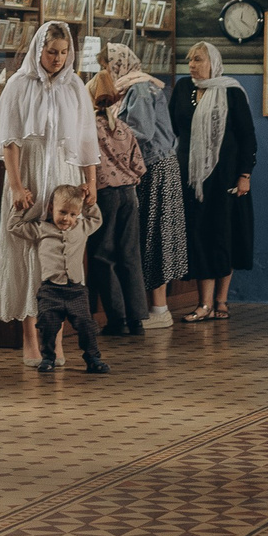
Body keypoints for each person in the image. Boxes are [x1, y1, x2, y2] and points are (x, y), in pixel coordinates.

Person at [0, 21, 99, 366]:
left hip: (64, 177)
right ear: (39, 49)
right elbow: (9, 141)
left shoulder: (75, 86)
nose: (57, 59)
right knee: (28, 255)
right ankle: (31, 340)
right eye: (52, 52)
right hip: (30, 176)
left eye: (64, 53)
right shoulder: (19, 85)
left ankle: (57, 342)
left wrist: (90, 181)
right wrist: (17, 186)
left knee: (60, 257)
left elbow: (85, 140)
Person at [171, 41, 253, 321]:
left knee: (223, 235)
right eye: (190, 60)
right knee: (198, 236)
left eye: (198, 59)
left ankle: (221, 301)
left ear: (213, 63)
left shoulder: (231, 92)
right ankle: (203, 303)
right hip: (191, 178)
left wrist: (244, 175)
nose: (192, 65)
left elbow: (247, 136)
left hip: (225, 177)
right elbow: (174, 127)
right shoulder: (183, 88)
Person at [106, 45, 184, 326]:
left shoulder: (138, 88)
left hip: (155, 167)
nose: (106, 70)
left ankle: (160, 310)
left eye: (108, 64)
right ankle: (154, 308)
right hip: (154, 166)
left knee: (154, 237)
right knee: (151, 235)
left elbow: (143, 131)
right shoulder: (134, 86)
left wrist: (108, 128)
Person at [10, 185, 108, 374]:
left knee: (86, 325)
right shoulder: (41, 229)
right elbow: (14, 227)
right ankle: (48, 358)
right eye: (62, 212)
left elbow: (96, 219)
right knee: (47, 324)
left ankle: (93, 358)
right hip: (50, 290)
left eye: (73, 214)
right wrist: (20, 209)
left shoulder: (82, 228)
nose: (67, 218)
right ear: (50, 209)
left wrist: (88, 202)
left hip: (76, 291)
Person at [87, 67, 148, 338]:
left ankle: (117, 319)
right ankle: (137, 320)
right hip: (129, 194)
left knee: (103, 256)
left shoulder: (88, 127)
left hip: (105, 195)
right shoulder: (121, 126)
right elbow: (140, 165)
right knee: (130, 256)